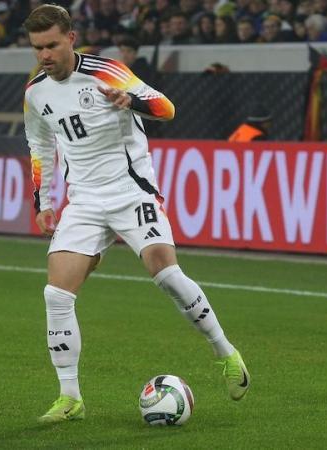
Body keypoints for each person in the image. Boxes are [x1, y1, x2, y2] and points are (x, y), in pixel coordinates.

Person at [23, 5, 250, 423]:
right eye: (38, 48)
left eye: (52, 45)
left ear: (70, 38)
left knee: (166, 273)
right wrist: (45, 203)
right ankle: (70, 398)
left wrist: (132, 99)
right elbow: (40, 148)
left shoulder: (108, 71)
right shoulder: (36, 92)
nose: (45, 55)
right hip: (85, 201)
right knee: (56, 295)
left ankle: (225, 352)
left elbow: (166, 108)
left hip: (131, 191)